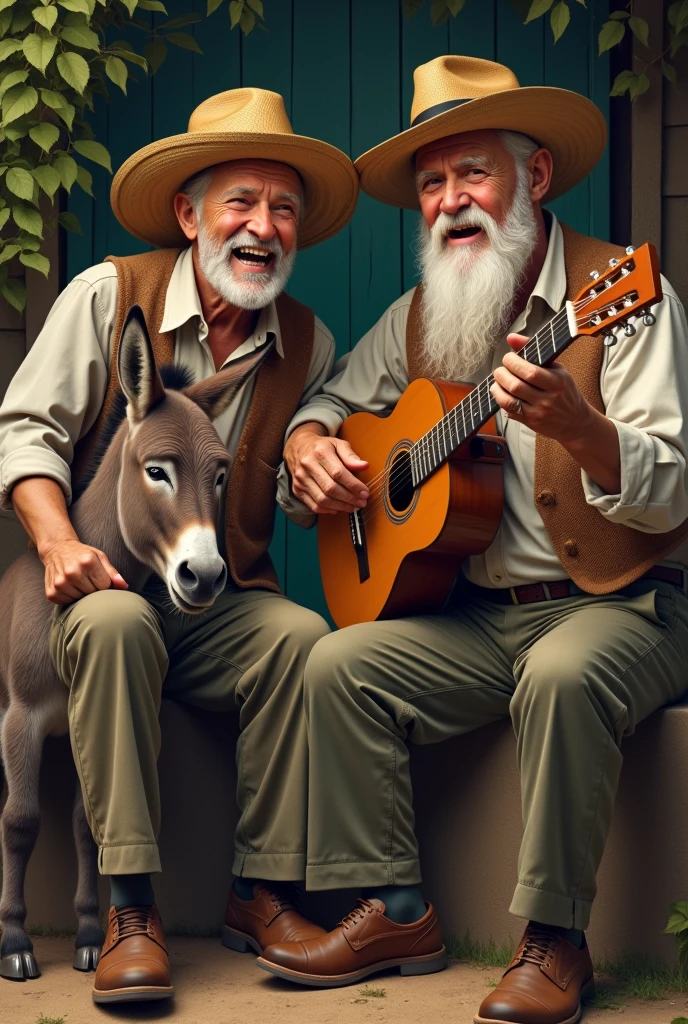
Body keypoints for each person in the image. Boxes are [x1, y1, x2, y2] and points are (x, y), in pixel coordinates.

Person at [271, 55, 688, 1024]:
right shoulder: (420, 315)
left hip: (620, 606)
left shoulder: (617, 296)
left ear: (533, 177)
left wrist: (582, 427)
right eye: (430, 182)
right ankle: (398, 910)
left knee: (561, 674)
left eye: (472, 174)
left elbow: (673, 486)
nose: (449, 201)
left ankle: (553, 941)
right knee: (337, 663)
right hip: (475, 622)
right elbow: (331, 402)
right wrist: (307, 444)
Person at [0, 87, 358, 1005]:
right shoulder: (108, 295)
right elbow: (26, 432)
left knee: (298, 639)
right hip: (97, 586)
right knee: (116, 621)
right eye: (240, 202)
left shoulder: (307, 344)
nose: (263, 226)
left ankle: (261, 891)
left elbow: (311, 441)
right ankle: (125, 906)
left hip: (212, 597)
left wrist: (317, 455)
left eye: (283, 208)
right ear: (189, 213)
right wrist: (55, 544)